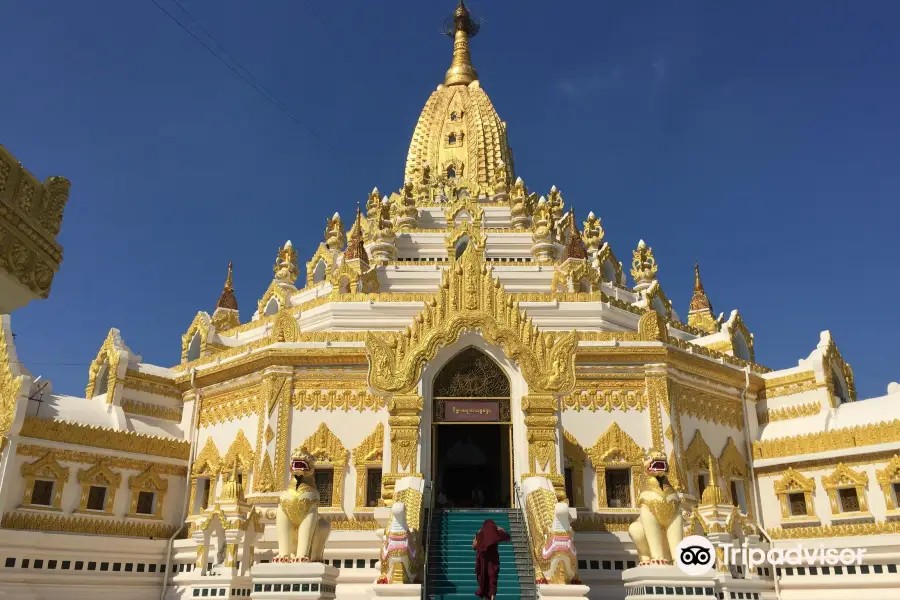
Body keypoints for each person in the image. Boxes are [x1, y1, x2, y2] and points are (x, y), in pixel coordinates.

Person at [472, 519, 510, 600]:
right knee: (492, 581)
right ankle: (492, 598)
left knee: (484, 580)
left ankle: (486, 597)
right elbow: (506, 535)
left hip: (482, 561)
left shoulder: (480, 533)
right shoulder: (495, 532)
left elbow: (474, 546)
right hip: (493, 562)